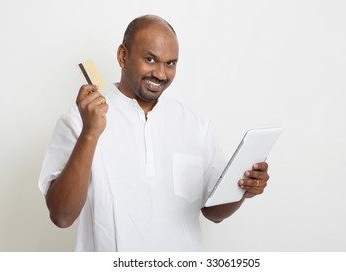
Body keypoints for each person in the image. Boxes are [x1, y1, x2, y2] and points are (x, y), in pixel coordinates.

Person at [39, 15, 270, 251]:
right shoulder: (78, 120)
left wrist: (243, 188)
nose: (161, 74)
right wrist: (90, 133)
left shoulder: (195, 124)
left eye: (170, 63)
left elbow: (214, 212)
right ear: (123, 56)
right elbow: (62, 216)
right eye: (150, 59)